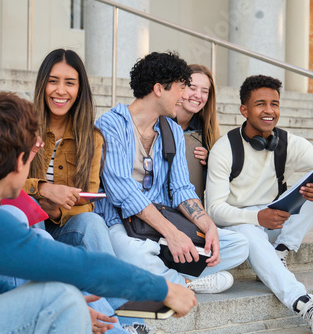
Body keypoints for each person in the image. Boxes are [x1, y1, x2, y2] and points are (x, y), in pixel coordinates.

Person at [0, 92, 197, 334]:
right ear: (19, 161)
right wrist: (164, 289)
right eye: (35, 148)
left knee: (60, 300)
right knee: (61, 298)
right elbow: (82, 266)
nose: (36, 154)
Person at [94, 51, 249, 293]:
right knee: (133, 252)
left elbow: (181, 189)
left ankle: (161, 271)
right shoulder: (110, 124)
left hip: (162, 223)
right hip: (121, 223)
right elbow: (121, 192)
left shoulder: (172, 130)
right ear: (159, 89)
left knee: (239, 245)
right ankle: (185, 283)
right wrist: (172, 233)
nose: (184, 96)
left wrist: (207, 225)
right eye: (181, 88)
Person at [205, 75, 313, 334]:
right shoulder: (224, 149)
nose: (269, 110)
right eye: (260, 104)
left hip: (275, 220)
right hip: (240, 224)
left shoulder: (287, 142)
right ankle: (305, 304)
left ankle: (280, 250)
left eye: (275, 104)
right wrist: (256, 217)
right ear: (244, 110)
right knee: (248, 233)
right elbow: (214, 210)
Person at [24, 48, 110, 251]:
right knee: (30, 212)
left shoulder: (92, 138)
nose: (60, 91)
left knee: (93, 222)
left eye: (69, 83)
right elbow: (3, 183)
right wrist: (44, 189)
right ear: (42, 84)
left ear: (79, 89)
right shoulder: (23, 127)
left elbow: (88, 202)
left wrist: (56, 212)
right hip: (26, 225)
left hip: (65, 227)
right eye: (53, 81)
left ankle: (112, 281)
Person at [174, 64, 220, 201]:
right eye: (192, 88)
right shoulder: (159, 122)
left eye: (205, 91)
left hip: (192, 206)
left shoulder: (206, 129)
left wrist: (210, 160)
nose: (198, 95)